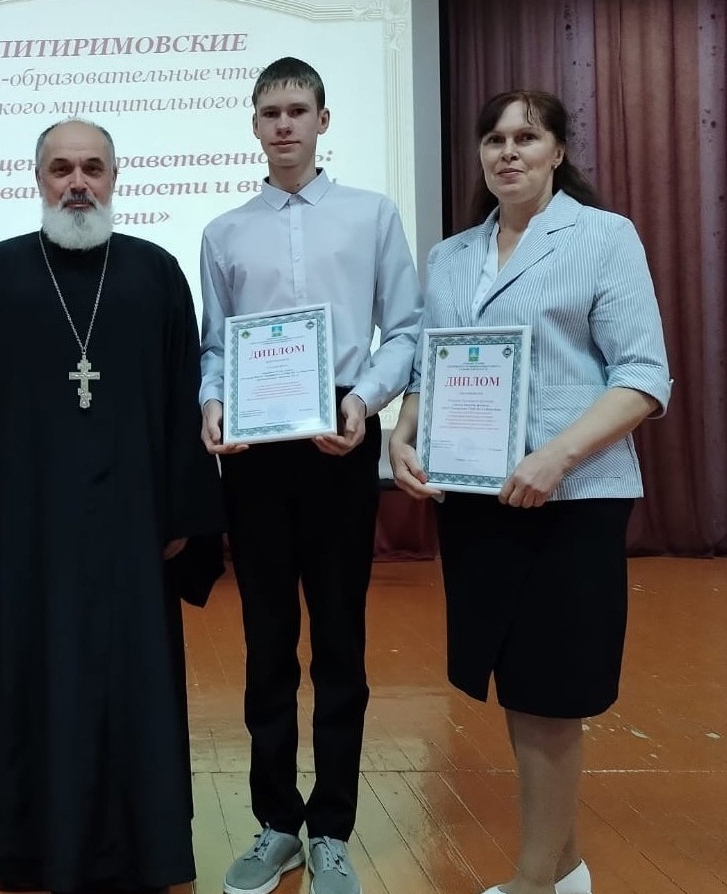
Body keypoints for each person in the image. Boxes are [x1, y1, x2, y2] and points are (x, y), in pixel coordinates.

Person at [0, 117, 225, 894]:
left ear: (115, 177)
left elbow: (184, 398)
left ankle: (142, 843)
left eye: (93, 167)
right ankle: (27, 846)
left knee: (133, 683)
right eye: (61, 168)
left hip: (133, 532)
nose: (78, 183)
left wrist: (182, 515)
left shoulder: (156, 273)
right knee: (28, 676)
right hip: (26, 536)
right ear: (38, 179)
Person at [388, 90, 671, 894]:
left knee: (552, 694)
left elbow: (644, 377)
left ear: (557, 151)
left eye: (527, 137)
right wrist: (405, 433)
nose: (508, 152)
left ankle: (534, 881)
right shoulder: (451, 256)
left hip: (571, 499)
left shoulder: (604, 237)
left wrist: (557, 456)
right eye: (494, 139)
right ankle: (567, 867)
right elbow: (433, 364)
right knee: (522, 688)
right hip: (478, 501)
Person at [198, 57, 423, 894]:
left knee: (339, 641)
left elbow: (406, 329)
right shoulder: (224, 232)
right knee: (265, 643)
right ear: (254, 125)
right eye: (271, 113)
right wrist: (212, 402)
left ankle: (330, 828)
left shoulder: (372, 215)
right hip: (257, 449)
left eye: (298, 110)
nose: (284, 124)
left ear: (323, 120)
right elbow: (216, 344)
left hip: (340, 433)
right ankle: (275, 824)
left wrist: (364, 401)